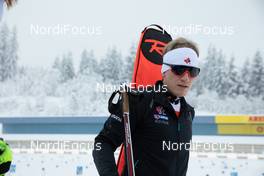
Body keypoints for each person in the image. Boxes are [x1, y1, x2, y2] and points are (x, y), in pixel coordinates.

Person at [93, 37, 200, 176]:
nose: (186, 78)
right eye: (179, 69)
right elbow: (103, 143)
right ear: (164, 71)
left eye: (192, 71)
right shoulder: (138, 101)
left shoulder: (188, 113)